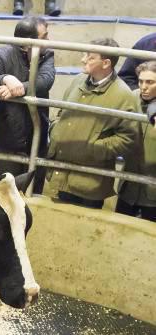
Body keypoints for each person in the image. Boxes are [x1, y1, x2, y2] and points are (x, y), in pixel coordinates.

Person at [46, 38, 140, 209]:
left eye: (90, 57)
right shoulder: (78, 80)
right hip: (61, 173)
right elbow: (61, 111)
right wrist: (56, 129)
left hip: (90, 180)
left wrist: (93, 148)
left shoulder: (124, 95)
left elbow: (128, 139)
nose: (83, 59)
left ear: (106, 63)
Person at [0, 17, 54, 185]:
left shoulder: (47, 53)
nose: (48, 41)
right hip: (8, 139)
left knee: (34, 193)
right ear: (28, 42)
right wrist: (5, 78)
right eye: (44, 37)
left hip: (38, 139)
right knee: (9, 192)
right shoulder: (2, 54)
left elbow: (45, 81)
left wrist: (17, 88)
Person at [115, 61, 156, 221]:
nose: (143, 87)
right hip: (128, 185)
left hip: (152, 189)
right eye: (140, 81)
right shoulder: (132, 97)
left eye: (150, 82)